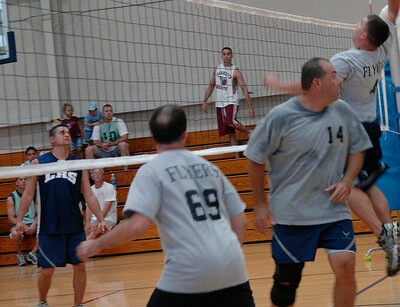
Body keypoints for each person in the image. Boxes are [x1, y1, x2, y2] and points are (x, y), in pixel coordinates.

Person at [263, 0, 400, 276]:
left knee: (345, 185)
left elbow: (314, 85)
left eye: (358, 23)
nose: (354, 25)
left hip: (349, 130)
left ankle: (382, 235)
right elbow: (393, 12)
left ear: (364, 34)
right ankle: (390, 230)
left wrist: (278, 86)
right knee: (369, 185)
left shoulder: (346, 60)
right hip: (371, 125)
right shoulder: (383, 46)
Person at [77, 104, 256, 307]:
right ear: (185, 135)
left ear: (153, 137)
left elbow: (136, 226)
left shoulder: (151, 171)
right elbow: (240, 221)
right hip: (232, 266)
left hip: (188, 269)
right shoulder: (211, 169)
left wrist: (95, 244)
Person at [247, 58, 371, 307]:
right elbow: (255, 159)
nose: (339, 81)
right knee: (286, 286)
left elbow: (359, 148)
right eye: (334, 75)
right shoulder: (280, 117)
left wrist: (347, 181)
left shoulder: (342, 110)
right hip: (293, 213)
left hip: (333, 210)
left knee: (346, 267)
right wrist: (259, 205)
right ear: (317, 83)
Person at [16, 124, 110, 307]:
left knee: (80, 265)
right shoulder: (39, 163)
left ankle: (78, 304)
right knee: (47, 269)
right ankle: (42, 301)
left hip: (74, 225)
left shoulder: (78, 164)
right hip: (49, 226)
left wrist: (101, 219)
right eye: (62, 132)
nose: (67, 135)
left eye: (68, 132)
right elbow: (28, 194)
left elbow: (89, 194)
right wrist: (19, 220)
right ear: (52, 139)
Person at [201, 47, 255, 150]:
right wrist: (204, 101)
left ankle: (250, 132)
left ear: (232, 55)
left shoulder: (235, 71)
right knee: (230, 131)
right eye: (224, 54)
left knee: (230, 121)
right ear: (221, 56)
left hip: (231, 101)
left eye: (228, 54)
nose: (226, 56)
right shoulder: (217, 69)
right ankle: (236, 157)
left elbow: (244, 88)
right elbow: (211, 85)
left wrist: (250, 107)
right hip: (220, 103)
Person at [7, 176, 39, 265]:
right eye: (21, 179)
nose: (23, 181)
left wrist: (33, 225)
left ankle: (32, 253)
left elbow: (39, 213)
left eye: (25, 179)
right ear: (16, 182)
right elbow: (11, 218)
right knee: (15, 234)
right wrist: (23, 225)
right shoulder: (11, 198)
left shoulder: (35, 195)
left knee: (46, 229)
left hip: (32, 222)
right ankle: (20, 255)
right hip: (18, 223)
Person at [85, 168, 117, 240]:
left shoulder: (110, 187)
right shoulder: (90, 190)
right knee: (86, 231)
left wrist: (97, 222)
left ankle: (80, 250)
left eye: (99, 173)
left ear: (103, 175)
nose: (97, 175)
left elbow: (107, 207)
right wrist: (87, 223)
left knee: (95, 229)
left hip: (108, 218)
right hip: (94, 219)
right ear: (92, 177)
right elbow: (89, 208)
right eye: (94, 173)